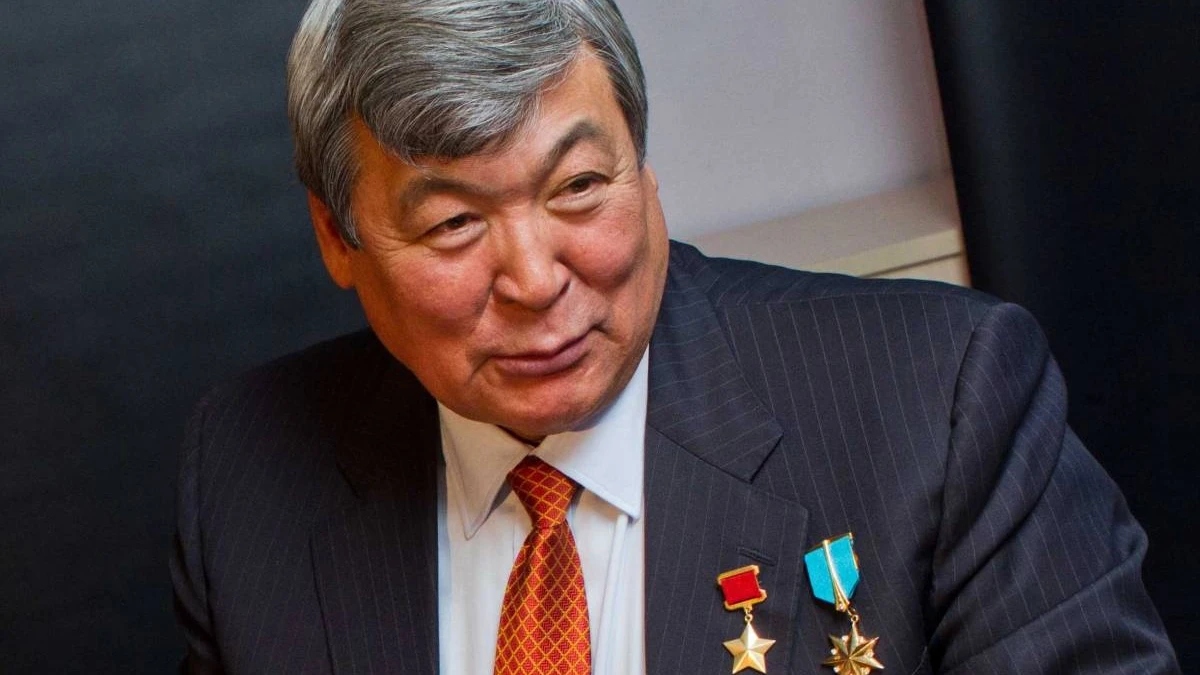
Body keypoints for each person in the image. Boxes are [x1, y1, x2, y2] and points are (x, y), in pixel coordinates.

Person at [170, 0, 1180, 673]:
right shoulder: (247, 476)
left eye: (579, 186)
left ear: (643, 167)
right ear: (336, 237)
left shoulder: (938, 400)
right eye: (453, 224)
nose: (535, 280)